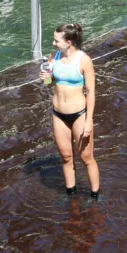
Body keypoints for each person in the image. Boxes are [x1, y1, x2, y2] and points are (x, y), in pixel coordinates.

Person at [39, 23, 100, 198]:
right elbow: (50, 83)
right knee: (66, 157)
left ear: (69, 41)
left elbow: (91, 92)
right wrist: (46, 78)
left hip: (79, 115)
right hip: (58, 115)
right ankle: (70, 196)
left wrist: (89, 120)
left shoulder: (84, 61)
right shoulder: (54, 57)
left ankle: (95, 196)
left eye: (56, 40)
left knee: (86, 158)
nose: (53, 43)